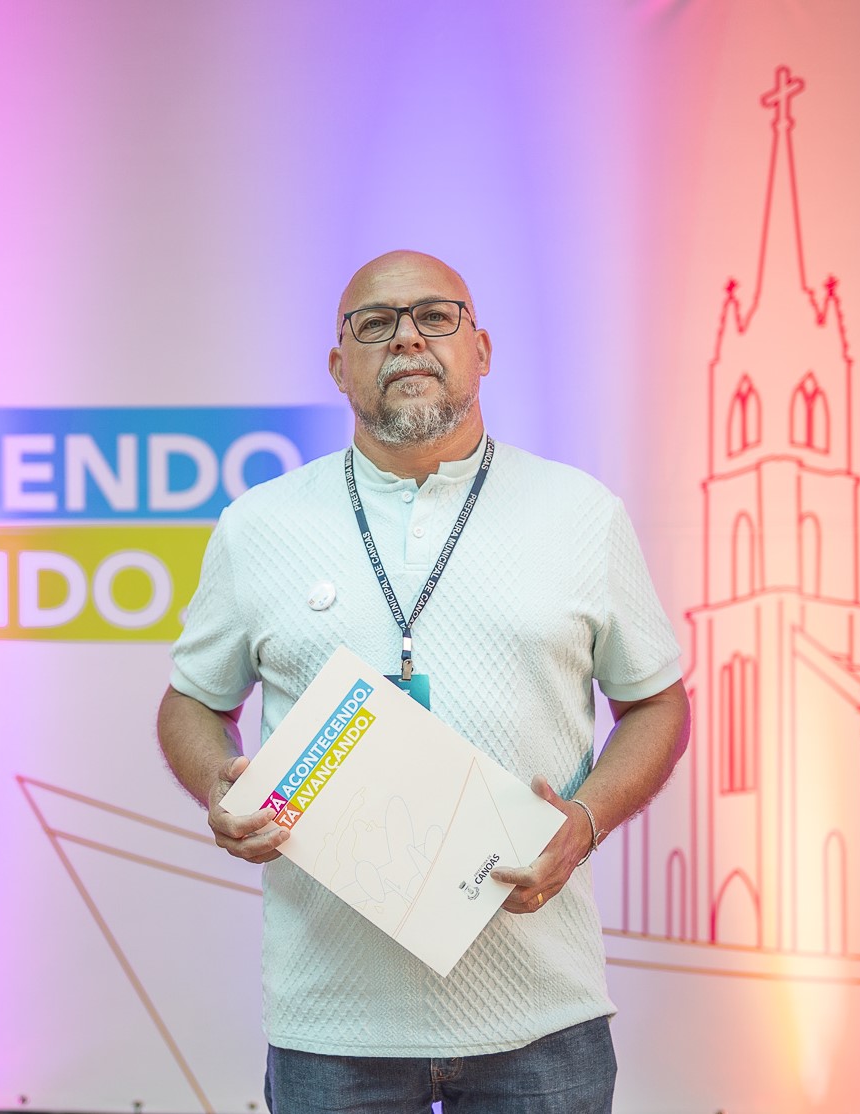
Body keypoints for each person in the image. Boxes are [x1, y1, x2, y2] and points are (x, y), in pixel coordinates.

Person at [157, 250, 690, 1113]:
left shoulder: (580, 514)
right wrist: (218, 784)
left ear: (481, 348)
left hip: (540, 1017)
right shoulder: (257, 525)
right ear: (339, 367)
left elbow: (655, 702)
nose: (406, 338)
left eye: (434, 317)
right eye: (374, 324)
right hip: (330, 1026)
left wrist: (584, 822)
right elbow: (191, 701)